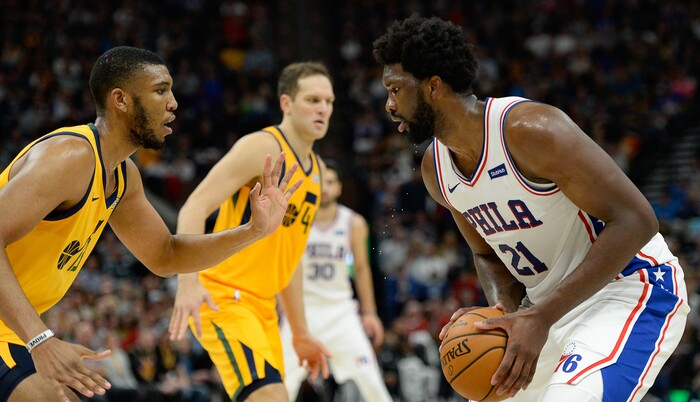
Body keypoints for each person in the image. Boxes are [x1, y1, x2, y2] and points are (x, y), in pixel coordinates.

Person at [373, 14, 690, 402]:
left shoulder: (531, 131)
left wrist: (539, 316)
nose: (389, 105)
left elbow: (637, 220)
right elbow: (484, 252)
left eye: (395, 89)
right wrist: (502, 307)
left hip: (628, 291)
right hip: (547, 312)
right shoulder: (436, 170)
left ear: (434, 86)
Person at [0, 46, 301, 402]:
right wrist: (40, 339)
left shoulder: (122, 177)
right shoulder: (69, 156)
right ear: (121, 100)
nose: (173, 102)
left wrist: (253, 231)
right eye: (161, 90)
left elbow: (166, 255)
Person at [168, 62, 334, 402]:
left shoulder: (317, 171)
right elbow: (193, 208)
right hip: (225, 298)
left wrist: (300, 332)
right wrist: (187, 282)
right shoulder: (261, 147)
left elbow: (290, 258)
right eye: (313, 99)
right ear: (286, 103)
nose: (323, 109)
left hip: (265, 311)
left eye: (329, 102)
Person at [279, 160, 393, 402]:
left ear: (339, 187)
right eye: (319, 181)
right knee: (281, 387)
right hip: (301, 314)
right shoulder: (293, 219)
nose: (324, 188)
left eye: (330, 182)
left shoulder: (354, 222)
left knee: (372, 383)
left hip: (341, 313)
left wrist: (370, 312)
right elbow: (282, 268)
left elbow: (361, 269)